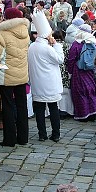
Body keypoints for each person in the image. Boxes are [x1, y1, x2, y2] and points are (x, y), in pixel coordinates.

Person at [0, 7, 30, 147]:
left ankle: (9, 139)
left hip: (6, 75)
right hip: (22, 74)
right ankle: (23, 137)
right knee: (21, 106)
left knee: (7, 106)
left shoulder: (2, 34)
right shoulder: (25, 32)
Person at [28, 10, 64, 142]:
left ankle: (42, 134)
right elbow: (60, 59)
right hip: (50, 83)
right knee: (53, 108)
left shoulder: (32, 47)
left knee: (40, 110)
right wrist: (55, 44)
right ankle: (56, 134)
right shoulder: (47, 48)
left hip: (37, 82)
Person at [67, 24, 96, 121]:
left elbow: (71, 59)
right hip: (90, 71)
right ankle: (93, 113)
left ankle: (83, 114)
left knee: (80, 92)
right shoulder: (94, 42)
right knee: (91, 91)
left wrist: (70, 71)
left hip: (79, 71)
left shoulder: (77, 43)